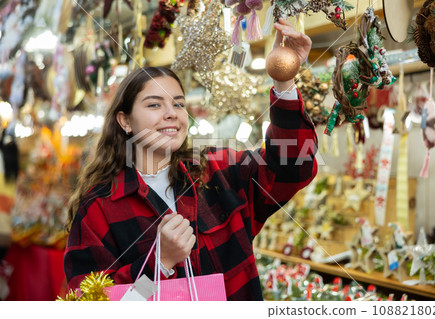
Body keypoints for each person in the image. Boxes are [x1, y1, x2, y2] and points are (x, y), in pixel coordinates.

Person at [64, 18, 318, 301]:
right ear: (125, 120)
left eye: (178, 103)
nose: (171, 113)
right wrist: (160, 264)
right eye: (154, 104)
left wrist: (283, 82)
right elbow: (90, 303)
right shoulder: (99, 208)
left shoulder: (217, 171)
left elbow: (292, 166)